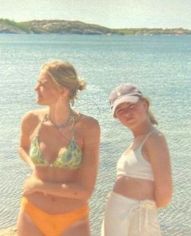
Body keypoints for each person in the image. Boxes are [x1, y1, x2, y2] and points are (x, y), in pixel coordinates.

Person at [16, 60, 100, 236]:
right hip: (32, 213)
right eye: (37, 82)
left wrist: (39, 185)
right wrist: (33, 167)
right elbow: (22, 147)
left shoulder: (88, 127)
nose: (35, 88)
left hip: (73, 219)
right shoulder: (30, 120)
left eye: (42, 84)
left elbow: (84, 191)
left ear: (63, 91)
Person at [101, 83, 172, 236]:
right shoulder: (136, 141)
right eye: (120, 110)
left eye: (131, 106)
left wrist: (141, 211)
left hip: (136, 218)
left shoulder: (155, 139)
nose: (127, 113)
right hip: (118, 215)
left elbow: (165, 195)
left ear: (145, 105)